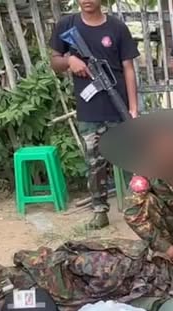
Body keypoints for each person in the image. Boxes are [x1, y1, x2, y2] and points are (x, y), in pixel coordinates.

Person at [49, 0, 140, 230]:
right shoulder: (67, 25)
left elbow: (128, 68)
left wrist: (133, 107)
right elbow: (54, 61)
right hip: (90, 111)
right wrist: (69, 60)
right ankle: (100, 211)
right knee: (94, 163)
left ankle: (138, 209)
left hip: (118, 106)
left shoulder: (117, 27)